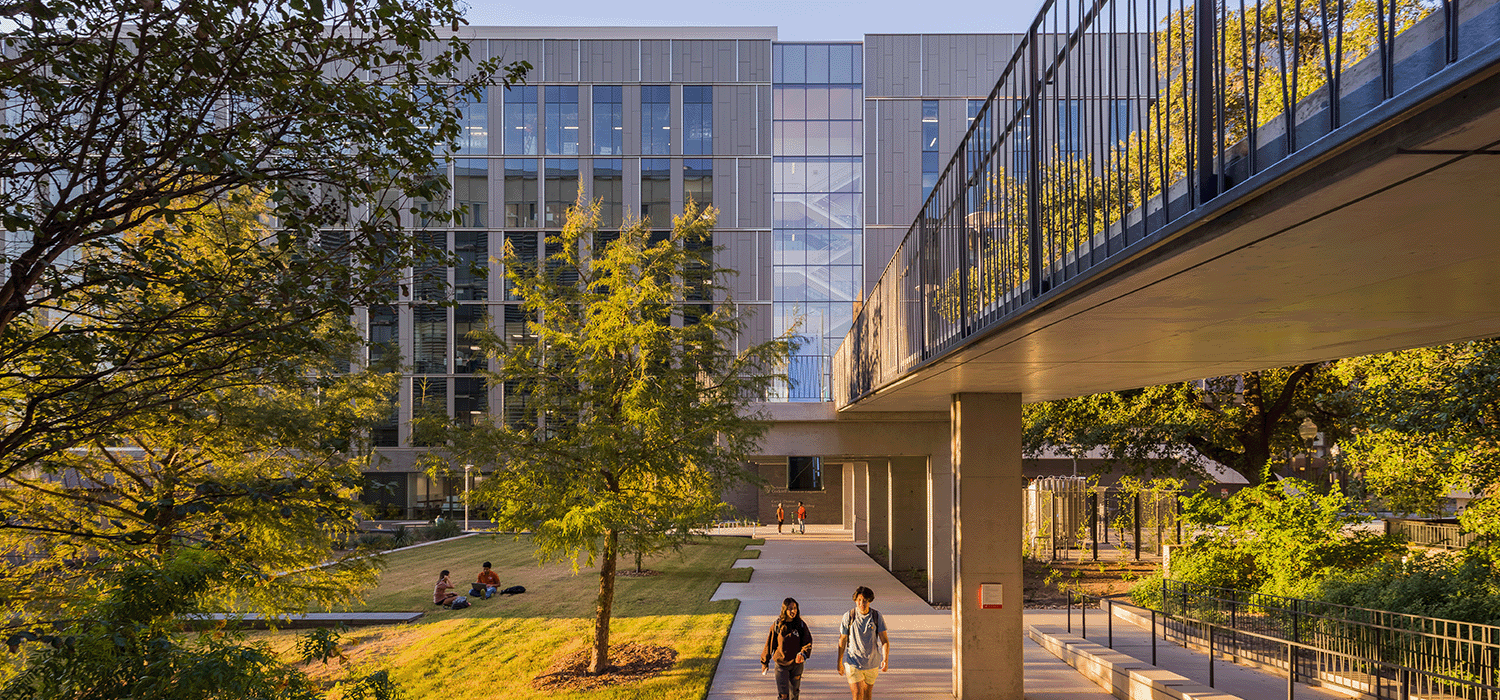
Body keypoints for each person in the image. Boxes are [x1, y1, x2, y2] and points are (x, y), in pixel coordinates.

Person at [837, 586, 889, 700]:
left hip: (872, 663)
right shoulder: (849, 616)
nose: (862, 603)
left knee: (867, 695)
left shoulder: (876, 616)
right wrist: (839, 661)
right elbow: (842, 639)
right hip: (853, 662)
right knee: (857, 694)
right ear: (855, 600)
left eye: (865, 600)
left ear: (869, 601)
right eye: (859, 600)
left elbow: (884, 640)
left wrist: (885, 659)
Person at [760, 597, 813, 700]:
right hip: (781, 666)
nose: (793, 611)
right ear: (784, 610)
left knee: (794, 694)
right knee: (783, 696)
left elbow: (807, 642)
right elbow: (769, 644)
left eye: (795, 608)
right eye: (790, 608)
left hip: (796, 665)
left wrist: (803, 654)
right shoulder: (777, 625)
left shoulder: (800, 625)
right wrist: (764, 662)